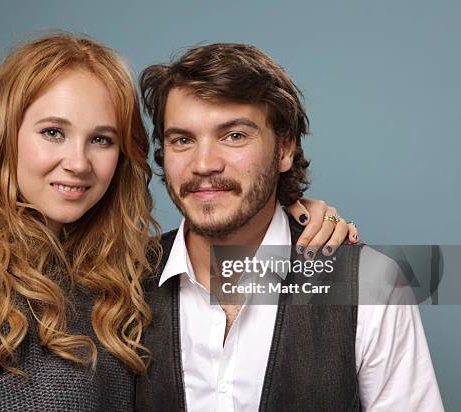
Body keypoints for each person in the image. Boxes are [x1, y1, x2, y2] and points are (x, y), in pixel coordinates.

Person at [0, 33, 357, 411]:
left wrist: (296, 217)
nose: (78, 162)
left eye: (102, 140)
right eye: (53, 132)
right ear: (5, 137)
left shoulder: (124, 274)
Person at [136, 43, 444, 411]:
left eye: (234, 135)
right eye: (183, 140)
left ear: (283, 150)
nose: (204, 164)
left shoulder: (372, 285)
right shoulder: (122, 280)